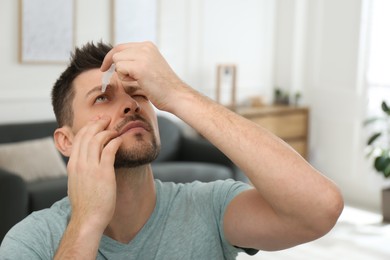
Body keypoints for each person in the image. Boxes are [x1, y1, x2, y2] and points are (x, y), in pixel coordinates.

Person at [0, 42, 343, 259]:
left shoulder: (210, 208)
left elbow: (320, 209)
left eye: (138, 93)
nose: (131, 106)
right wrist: (88, 222)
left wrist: (178, 93)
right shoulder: (31, 241)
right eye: (102, 97)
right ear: (66, 141)